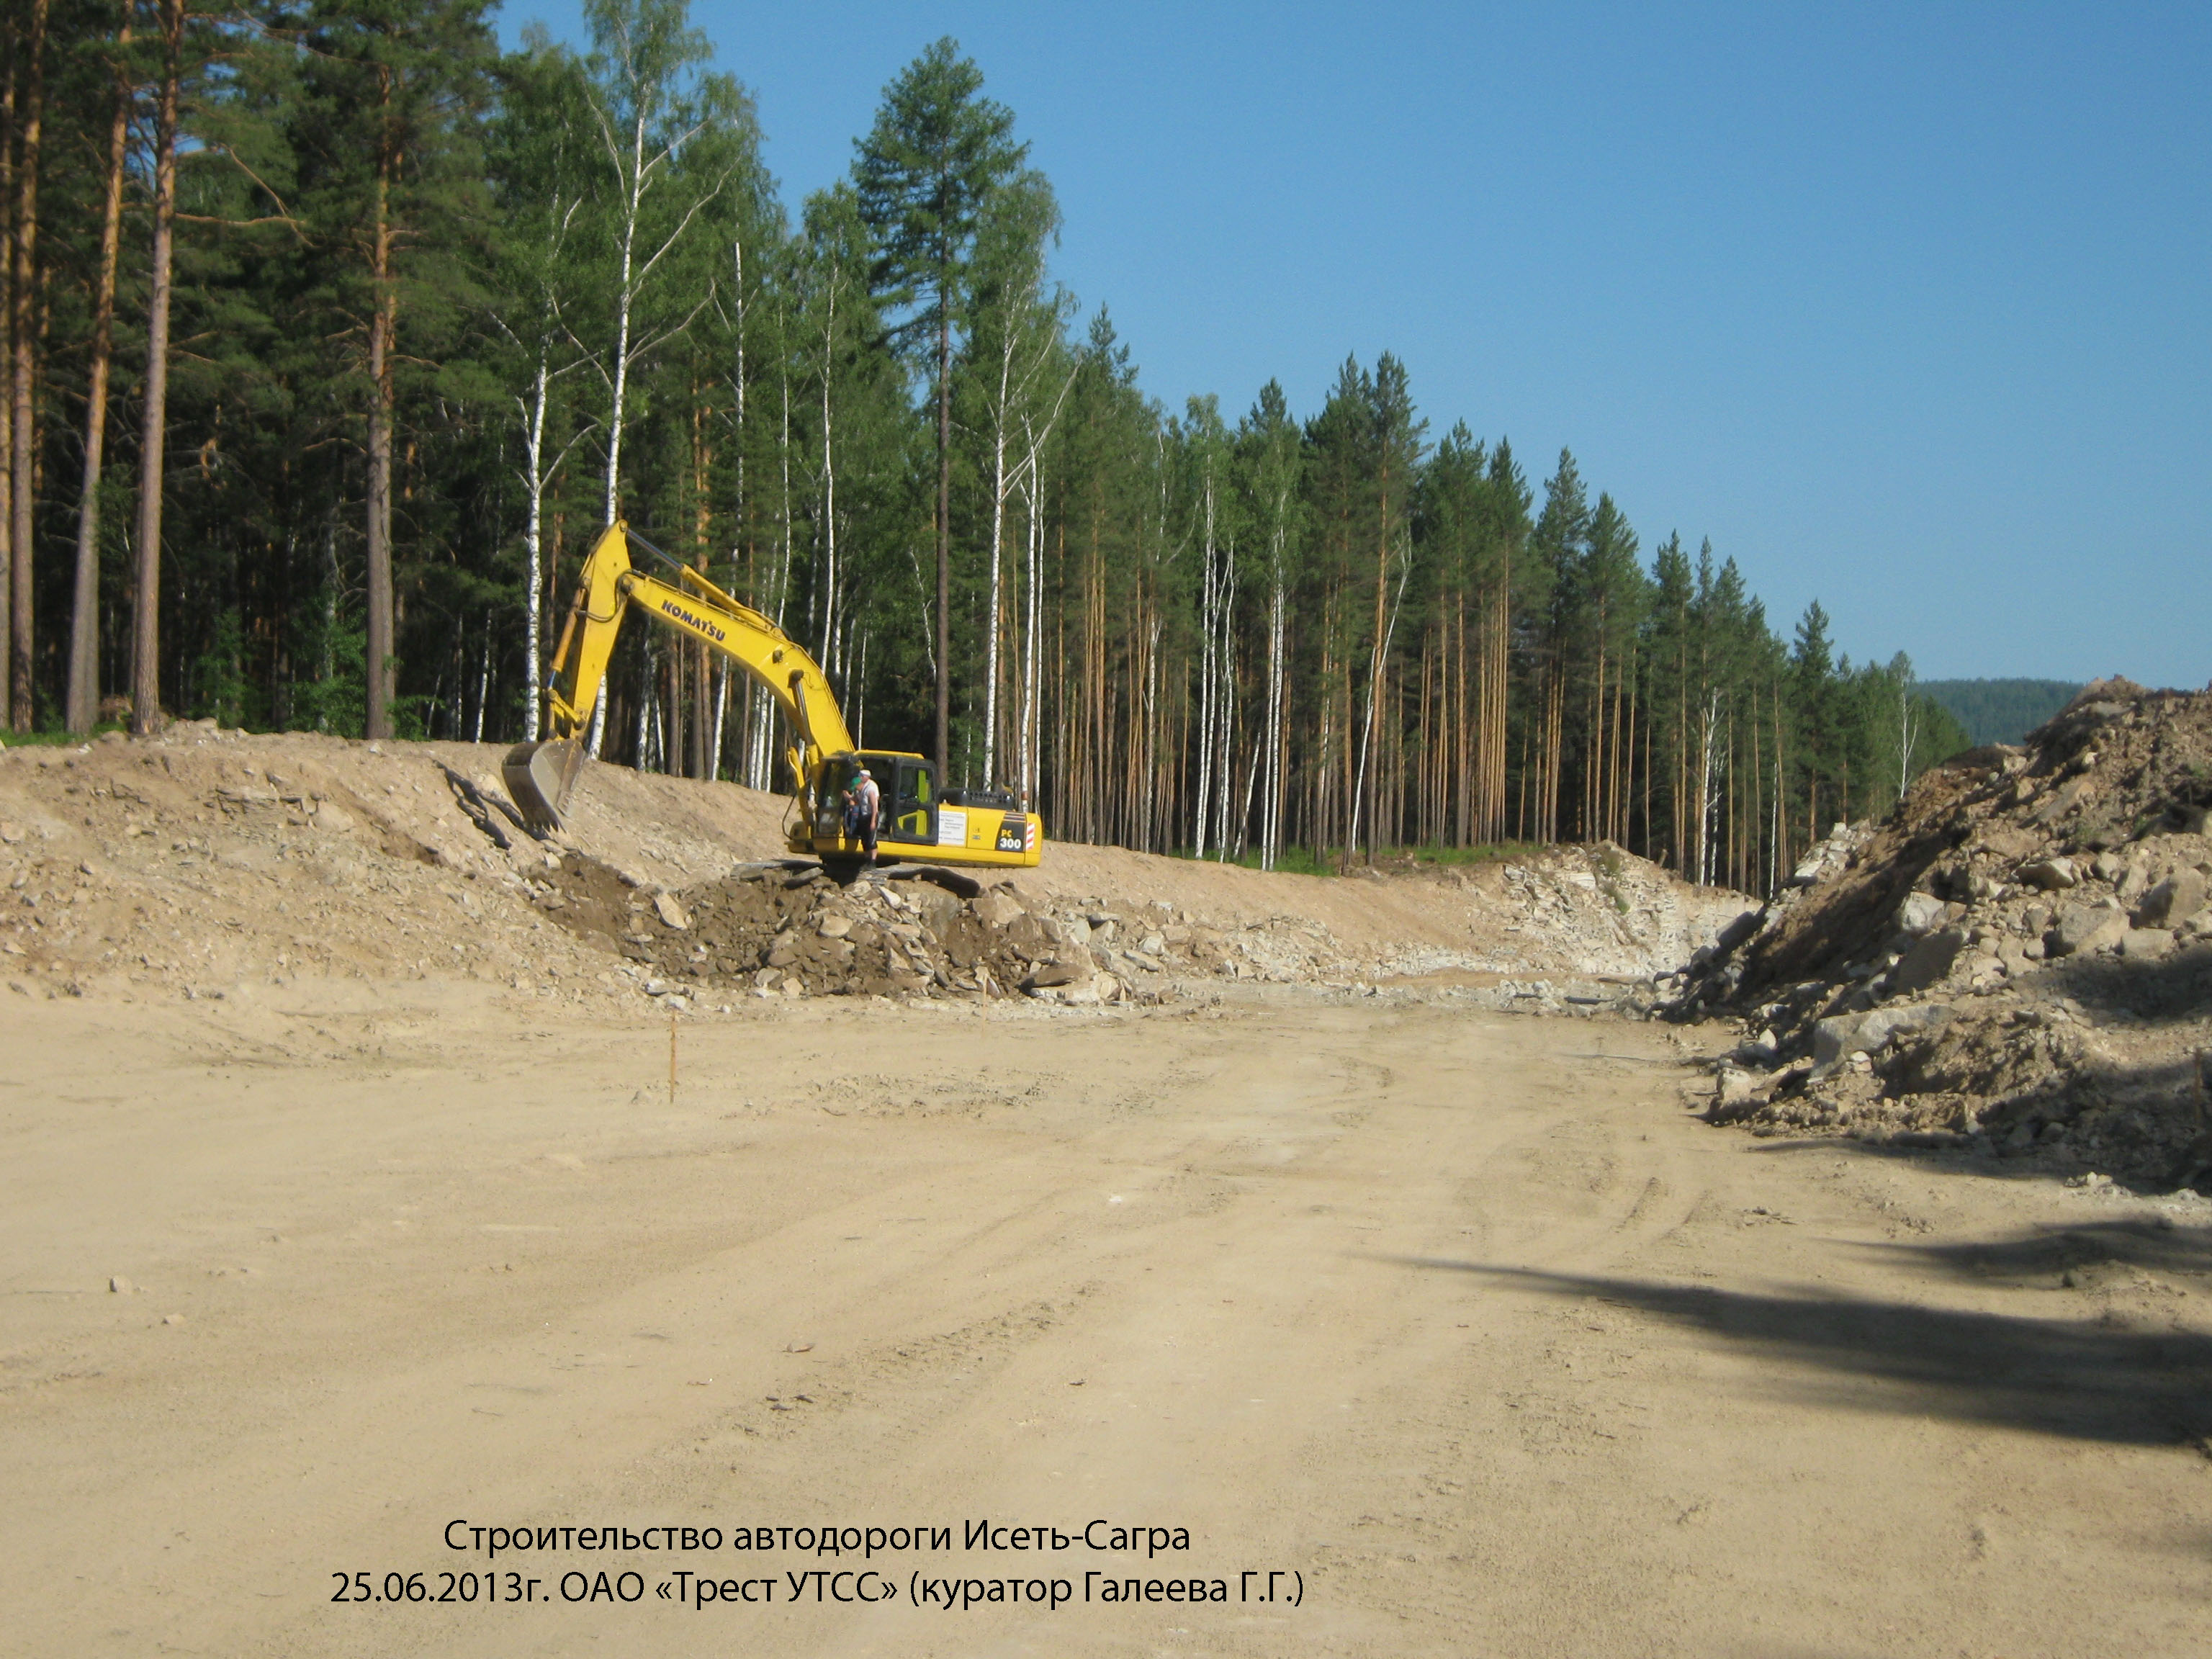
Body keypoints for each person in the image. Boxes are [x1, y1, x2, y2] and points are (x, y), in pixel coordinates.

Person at [851, 765, 881, 859]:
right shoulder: (864, 788)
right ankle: (867, 859)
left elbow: (874, 806)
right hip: (864, 815)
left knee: (871, 840)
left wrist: (873, 822)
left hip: (871, 816)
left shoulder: (870, 789)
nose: (859, 778)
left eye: (861, 776)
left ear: (866, 777)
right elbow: (859, 801)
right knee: (865, 840)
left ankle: (872, 861)